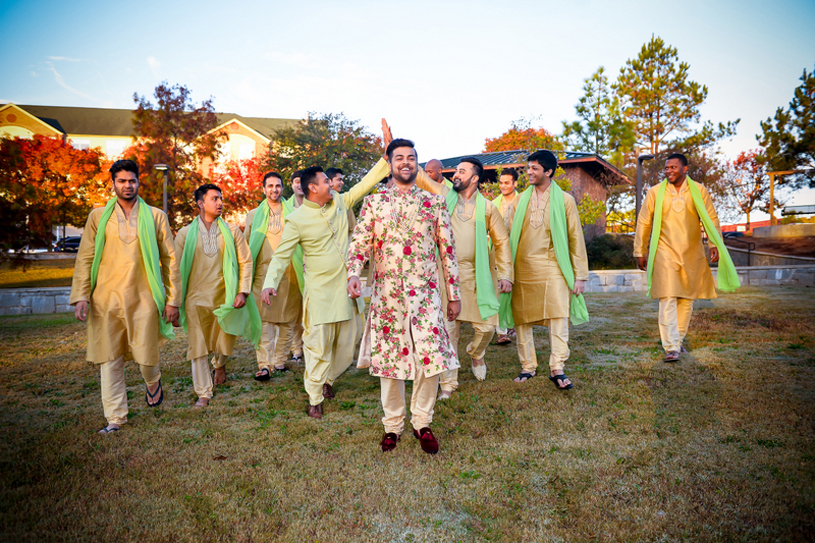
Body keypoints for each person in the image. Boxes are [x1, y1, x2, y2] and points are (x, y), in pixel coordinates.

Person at [347, 136, 461, 454]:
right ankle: (393, 426)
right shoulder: (374, 203)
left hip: (426, 295)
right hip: (388, 297)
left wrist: (454, 294)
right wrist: (353, 273)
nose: (406, 163)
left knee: (431, 360)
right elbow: (359, 244)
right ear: (390, 163)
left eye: (411, 158)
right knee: (390, 362)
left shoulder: (434, 202)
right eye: (399, 158)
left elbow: (447, 252)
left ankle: (422, 422)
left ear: (417, 163)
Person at [262, 160, 389, 419]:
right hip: (319, 292)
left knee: (346, 342)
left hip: (346, 289)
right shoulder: (296, 219)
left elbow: (365, 185)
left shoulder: (340, 202)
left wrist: (385, 160)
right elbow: (281, 256)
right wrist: (269, 284)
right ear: (312, 188)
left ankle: (329, 378)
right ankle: (315, 396)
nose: (331, 185)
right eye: (325, 182)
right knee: (318, 345)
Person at [70, 159, 180, 434]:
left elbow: (171, 260)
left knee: (146, 356)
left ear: (138, 182)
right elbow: (85, 258)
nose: (127, 185)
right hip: (105, 299)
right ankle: (115, 418)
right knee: (110, 359)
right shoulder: (98, 216)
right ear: (113, 184)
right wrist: (81, 295)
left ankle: (153, 382)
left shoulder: (155, 216)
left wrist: (172, 299)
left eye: (132, 180)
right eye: (121, 181)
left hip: (143, 296)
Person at [415, 157, 512, 399]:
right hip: (444, 274)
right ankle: (448, 383)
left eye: (461, 171)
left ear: (475, 178)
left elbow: (501, 242)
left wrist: (506, 275)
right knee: (448, 330)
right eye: (456, 171)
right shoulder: (444, 194)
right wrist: (393, 148)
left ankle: (475, 353)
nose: (456, 175)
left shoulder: (488, 207)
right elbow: (421, 177)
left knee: (487, 327)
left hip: (476, 275)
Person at [634, 153, 739, 362]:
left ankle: (678, 340)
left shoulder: (699, 190)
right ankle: (671, 347)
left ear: (685, 169)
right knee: (667, 297)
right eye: (666, 168)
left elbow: (710, 218)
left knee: (686, 299)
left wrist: (714, 243)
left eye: (673, 167)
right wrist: (640, 250)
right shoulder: (655, 192)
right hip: (664, 251)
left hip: (692, 251)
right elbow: (644, 221)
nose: (668, 171)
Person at [499, 150, 589, 390]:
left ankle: (557, 367)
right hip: (523, 267)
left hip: (553, 267)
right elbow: (506, 237)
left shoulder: (566, 201)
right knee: (522, 319)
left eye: (534, 168)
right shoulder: (519, 200)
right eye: (528, 167)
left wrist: (580, 275)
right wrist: (505, 272)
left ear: (548, 172)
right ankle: (527, 366)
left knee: (559, 316)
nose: (529, 172)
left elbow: (575, 238)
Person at [174, 184, 259, 408]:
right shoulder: (184, 234)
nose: (220, 203)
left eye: (221, 198)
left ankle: (220, 364)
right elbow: (175, 270)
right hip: (194, 299)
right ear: (201, 204)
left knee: (224, 340)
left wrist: (242, 291)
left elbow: (245, 261)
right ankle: (204, 392)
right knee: (198, 345)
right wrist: (173, 302)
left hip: (225, 295)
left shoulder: (231, 231)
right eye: (214, 199)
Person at [245, 171, 304, 379]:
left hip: (290, 273)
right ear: (263, 189)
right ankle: (264, 364)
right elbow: (246, 246)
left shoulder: (295, 212)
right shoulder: (253, 215)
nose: (274, 190)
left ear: (282, 188)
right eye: (270, 186)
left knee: (288, 320)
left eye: (277, 186)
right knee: (263, 321)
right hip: (262, 273)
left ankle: (279, 361)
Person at [493, 168, 520, 345]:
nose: (503, 186)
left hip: (519, 250)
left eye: (506, 182)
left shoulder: (524, 201)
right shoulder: (493, 204)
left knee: (517, 291)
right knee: (501, 290)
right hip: (498, 253)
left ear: (515, 184)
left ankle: (514, 324)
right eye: (501, 182)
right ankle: (501, 330)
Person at [286, 169, 306, 363]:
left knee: (310, 308)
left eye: (302, 181)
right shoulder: (285, 208)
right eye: (296, 182)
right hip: (292, 264)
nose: (299, 185)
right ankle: (296, 349)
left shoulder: (314, 204)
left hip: (311, 263)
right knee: (294, 310)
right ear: (291, 184)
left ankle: (311, 346)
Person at [326, 167, 357, 236]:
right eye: (339, 180)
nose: (342, 183)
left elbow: (353, 229)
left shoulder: (344, 202)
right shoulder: (318, 202)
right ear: (329, 181)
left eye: (342, 180)